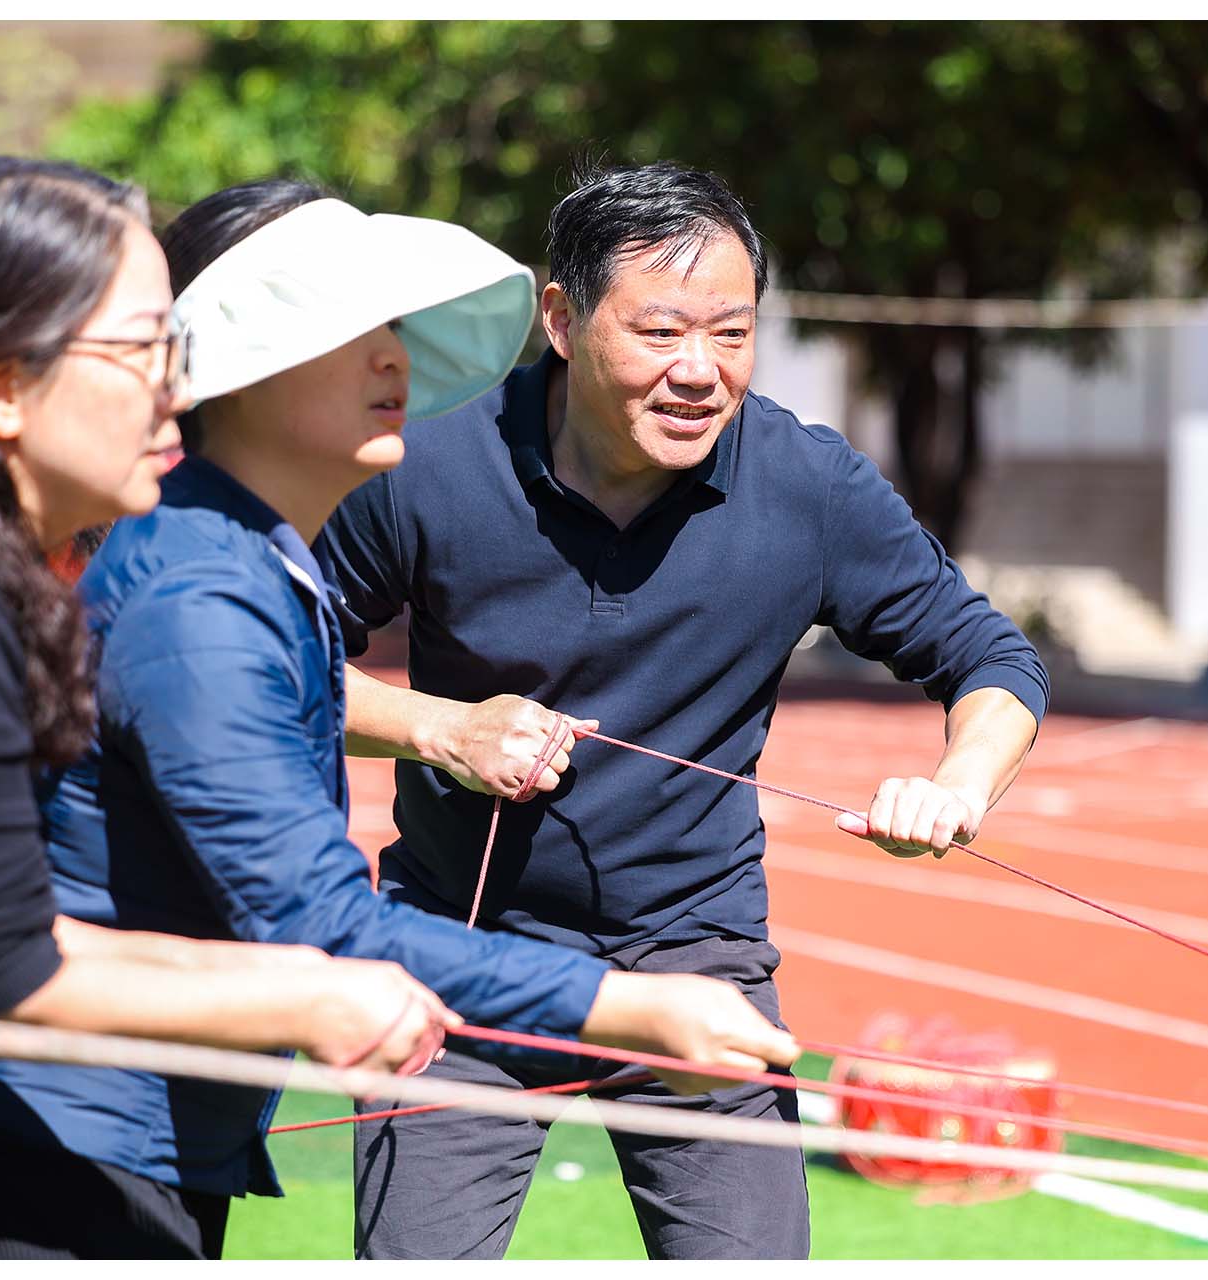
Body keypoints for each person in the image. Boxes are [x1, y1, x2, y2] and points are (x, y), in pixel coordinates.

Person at [0, 178, 798, 1260]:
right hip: (52, 1159)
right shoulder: (203, 593)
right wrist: (632, 1006)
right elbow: (319, 918)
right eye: (344, 332)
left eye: (394, 329)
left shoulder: (248, 558)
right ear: (240, 367)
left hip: (127, 1142)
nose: (393, 359)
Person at [0, 158, 450, 1262]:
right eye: (146, 348)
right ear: (5, 389)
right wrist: (307, 993)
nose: (179, 387)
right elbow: (10, 967)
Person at [321, 161, 1049, 1260]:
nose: (700, 371)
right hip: (459, 949)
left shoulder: (809, 485)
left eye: (733, 333)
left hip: (695, 956)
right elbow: (268, 663)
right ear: (561, 320)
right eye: (660, 332)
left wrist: (958, 785)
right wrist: (440, 727)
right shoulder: (427, 458)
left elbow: (991, 656)